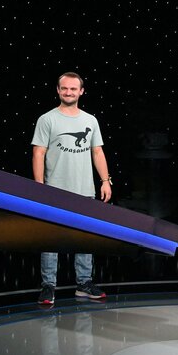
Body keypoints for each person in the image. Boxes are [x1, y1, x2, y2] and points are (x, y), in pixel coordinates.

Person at [32, 72, 111, 305]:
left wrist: (105, 180)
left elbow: (97, 151)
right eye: (64, 89)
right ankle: (48, 286)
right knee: (51, 239)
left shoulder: (90, 120)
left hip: (84, 189)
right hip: (54, 189)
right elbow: (39, 152)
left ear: (81, 91)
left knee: (85, 238)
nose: (68, 92)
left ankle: (84, 283)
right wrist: (39, 187)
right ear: (58, 90)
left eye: (73, 89)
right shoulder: (47, 119)